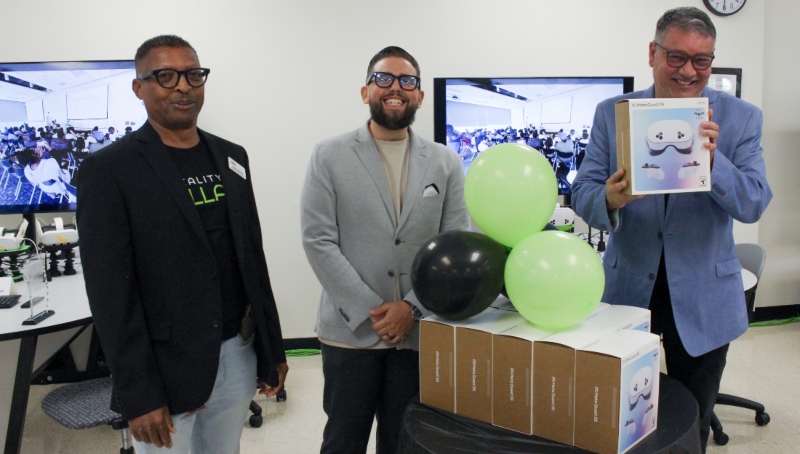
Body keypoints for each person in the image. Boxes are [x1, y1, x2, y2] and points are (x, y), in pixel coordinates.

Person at [571, 7, 772, 452]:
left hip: (704, 296)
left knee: (691, 423)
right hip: (626, 289)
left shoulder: (742, 119)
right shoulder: (613, 113)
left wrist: (713, 162)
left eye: (701, 60)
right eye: (676, 57)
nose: (688, 71)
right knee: (616, 415)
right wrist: (610, 198)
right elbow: (582, 190)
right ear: (652, 53)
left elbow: (756, 201)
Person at [77, 34, 288, 454]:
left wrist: (272, 348)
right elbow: (110, 294)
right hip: (166, 365)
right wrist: (140, 394)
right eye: (166, 76)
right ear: (139, 87)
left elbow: (251, 259)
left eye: (193, 75)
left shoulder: (232, 157)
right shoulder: (109, 169)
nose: (183, 87)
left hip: (237, 350)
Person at [301, 46, 468, 454]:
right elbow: (318, 240)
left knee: (403, 440)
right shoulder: (329, 155)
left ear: (420, 96)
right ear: (366, 92)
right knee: (343, 438)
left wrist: (410, 309)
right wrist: (374, 311)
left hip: (416, 333)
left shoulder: (445, 162)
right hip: (351, 331)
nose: (396, 88)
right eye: (384, 79)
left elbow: (454, 243)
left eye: (407, 81)